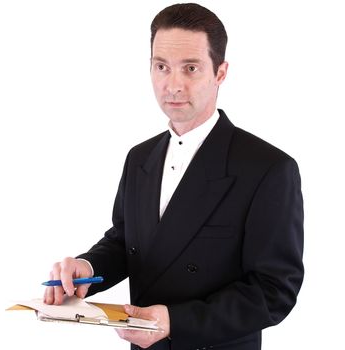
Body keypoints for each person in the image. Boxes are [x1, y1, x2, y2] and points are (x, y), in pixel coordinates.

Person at [44, 3, 304, 350]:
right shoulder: (139, 157)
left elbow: (274, 291)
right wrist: (88, 266)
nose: (173, 85)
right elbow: (127, 242)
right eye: (161, 67)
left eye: (191, 68)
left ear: (220, 73)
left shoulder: (269, 168)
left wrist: (176, 322)